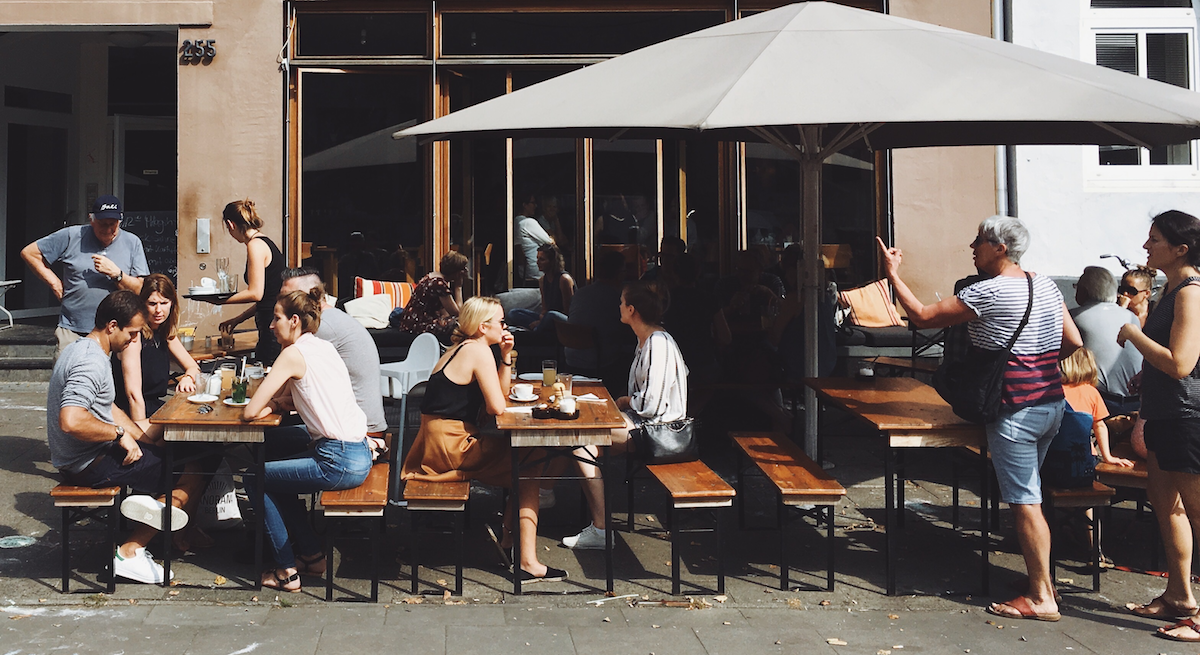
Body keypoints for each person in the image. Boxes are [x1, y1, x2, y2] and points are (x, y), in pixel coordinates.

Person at [878, 215, 1081, 622]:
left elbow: (920, 315)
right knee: (1032, 495)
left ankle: (1042, 597)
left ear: (1000, 248)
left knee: (1025, 502)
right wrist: (1035, 366)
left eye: (978, 242)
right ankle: (1041, 580)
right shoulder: (1045, 283)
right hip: (1051, 404)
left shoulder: (988, 292)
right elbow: (1073, 341)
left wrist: (891, 273)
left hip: (1014, 411)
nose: (972, 248)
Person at [401, 297, 565, 581]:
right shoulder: (477, 351)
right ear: (482, 326)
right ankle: (525, 559)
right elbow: (497, 407)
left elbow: (498, 395)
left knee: (527, 460)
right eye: (501, 321)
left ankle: (511, 543)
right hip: (452, 446)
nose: (505, 326)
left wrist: (505, 356)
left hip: (439, 441)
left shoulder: (465, 348)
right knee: (529, 462)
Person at [48, 290, 206, 584]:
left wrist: (143, 437)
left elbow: (107, 406)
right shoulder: (91, 362)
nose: (135, 340)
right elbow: (71, 420)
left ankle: (150, 510)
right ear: (111, 326)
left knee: (166, 453)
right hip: (86, 464)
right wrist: (119, 434)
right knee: (193, 470)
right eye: (132, 333)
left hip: (86, 456)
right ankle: (131, 550)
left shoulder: (84, 348)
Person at [241, 289, 373, 592]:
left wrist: (272, 405)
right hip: (358, 451)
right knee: (274, 461)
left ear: (295, 320)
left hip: (337, 459)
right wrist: (279, 402)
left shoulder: (291, 354)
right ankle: (312, 555)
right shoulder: (323, 347)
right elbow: (294, 395)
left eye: (277, 318)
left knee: (255, 477)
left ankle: (287, 571)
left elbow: (250, 411)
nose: (272, 326)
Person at [1115, 211, 1200, 637]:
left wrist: (1133, 335)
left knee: (1196, 511)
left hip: (1187, 416)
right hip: (1166, 412)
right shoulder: (1172, 289)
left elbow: (1182, 364)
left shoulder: (1190, 292)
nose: (1146, 246)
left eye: (1154, 239)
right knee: (1166, 505)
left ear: (1180, 248)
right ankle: (1180, 596)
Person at [563, 281, 688, 550]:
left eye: (621, 302)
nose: (618, 306)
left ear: (632, 310)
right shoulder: (646, 341)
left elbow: (652, 404)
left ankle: (600, 529)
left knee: (581, 441)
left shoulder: (658, 343)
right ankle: (590, 521)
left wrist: (624, 400)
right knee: (584, 442)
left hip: (660, 431)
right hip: (648, 425)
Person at [21, 195, 148, 359]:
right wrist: (55, 284)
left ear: (120, 220)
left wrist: (117, 275)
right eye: (103, 224)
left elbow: (140, 289)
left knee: (108, 383)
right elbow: (30, 253)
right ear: (92, 219)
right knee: (68, 379)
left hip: (116, 333)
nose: (109, 229)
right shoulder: (72, 235)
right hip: (73, 329)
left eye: (113, 224)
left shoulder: (132, 242)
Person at [278, 267, 387, 445]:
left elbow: (285, 385)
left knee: (268, 440)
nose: (283, 303)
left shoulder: (322, 327)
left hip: (358, 435)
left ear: (311, 296)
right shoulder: (330, 318)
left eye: (289, 297)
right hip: (349, 425)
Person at [114, 274, 203, 425]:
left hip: (156, 408)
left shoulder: (165, 333)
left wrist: (188, 377)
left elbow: (194, 367)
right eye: (152, 303)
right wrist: (142, 436)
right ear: (142, 304)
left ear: (172, 304)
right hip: (131, 412)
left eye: (164, 303)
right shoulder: (134, 337)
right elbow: (133, 395)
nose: (158, 310)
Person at [218, 199, 286, 365]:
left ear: (230, 224)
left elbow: (256, 293)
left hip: (271, 326)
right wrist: (238, 319)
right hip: (271, 322)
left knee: (265, 377)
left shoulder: (255, 245)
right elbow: (268, 295)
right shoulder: (265, 242)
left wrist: (218, 300)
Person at [1070, 266, 1143, 415]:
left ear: (1084, 291)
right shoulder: (1131, 316)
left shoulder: (1075, 317)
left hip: (1102, 400)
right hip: (1136, 399)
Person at [563, 250, 635, 376]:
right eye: (624, 271)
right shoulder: (617, 299)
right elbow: (627, 330)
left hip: (571, 358)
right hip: (600, 361)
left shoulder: (580, 293)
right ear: (619, 274)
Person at [1060, 347, 1132, 468]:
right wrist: (1107, 456)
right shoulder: (1091, 392)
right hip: (1084, 454)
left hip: (1056, 452)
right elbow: (1099, 426)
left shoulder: (1055, 391)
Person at [397, 251, 470, 342]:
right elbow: (457, 313)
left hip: (409, 323)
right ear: (457, 272)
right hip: (418, 325)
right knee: (461, 322)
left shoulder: (431, 276)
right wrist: (458, 287)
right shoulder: (439, 284)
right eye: (464, 269)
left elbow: (444, 311)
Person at [508, 244, 574, 333]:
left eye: (542, 259)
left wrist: (542, 320)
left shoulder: (564, 279)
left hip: (563, 319)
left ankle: (536, 331)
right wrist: (542, 318)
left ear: (552, 261)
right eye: (537, 258)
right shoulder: (542, 280)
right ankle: (538, 328)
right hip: (547, 318)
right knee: (514, 312)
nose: (537, 262)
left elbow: (568, 311)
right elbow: (544, 309)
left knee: (551, 314)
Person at [515, 194, 554, 286]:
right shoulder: (527, 222)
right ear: (524, 205)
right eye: (532, 203)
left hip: (524, 270)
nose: (535, 206)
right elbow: (551, 243)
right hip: (537, 269)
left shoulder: (515, 222)